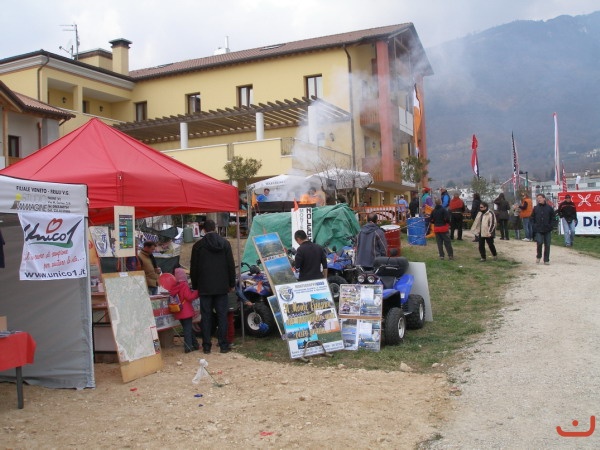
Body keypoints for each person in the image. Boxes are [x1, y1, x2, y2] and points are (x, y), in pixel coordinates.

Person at [190, 219, 236, 354]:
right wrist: (231, 284)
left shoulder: (198, 246)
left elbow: (194, 268)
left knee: (206, 316)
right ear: (215, 228)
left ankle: (206, 346)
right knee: (222, 316)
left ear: (203, 230)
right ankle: (223, 345)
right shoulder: (225, 244)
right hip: (222, 286)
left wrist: (195, 285)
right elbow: (230, 265)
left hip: (205, 286)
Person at [168, 268, 200, 353]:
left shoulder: (174, 286)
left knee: (187, 328)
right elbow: (189, 297)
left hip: (178, 310)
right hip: (186, 310)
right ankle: (188, 347)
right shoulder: (184, 285)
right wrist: (197, 292)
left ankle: (195, 344)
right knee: (188, 329)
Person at [531, 193, 555, 264]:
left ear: (544, 198)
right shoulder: (536, 208)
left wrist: (551, 225)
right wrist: (534, 225)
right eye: (538, 198)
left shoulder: (549, 208)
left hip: (547, 228)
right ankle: (539, 256)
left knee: (547, 244)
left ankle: (546, 260)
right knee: (539, 242)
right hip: (538, 229)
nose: (539, 199)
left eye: (540, 198)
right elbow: (532, 218)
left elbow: (553, 218)